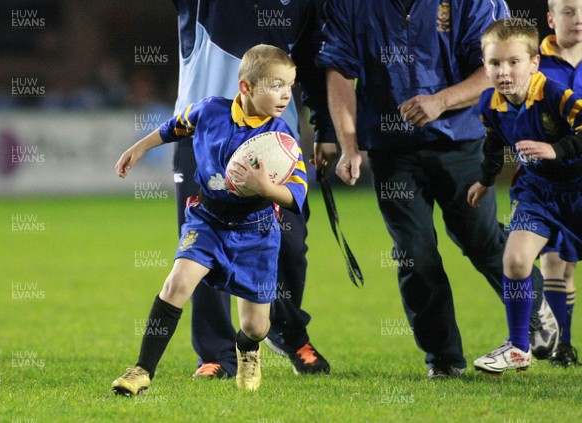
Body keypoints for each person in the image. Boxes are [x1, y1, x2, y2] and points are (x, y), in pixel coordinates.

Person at [315, 0, 558, 379]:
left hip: (461, 139)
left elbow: (494, 66)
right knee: (414, 254)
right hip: (391, 150)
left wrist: (439, 102)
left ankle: (536, 304)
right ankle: (443, 359)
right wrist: (349, 145)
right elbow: (340, 71)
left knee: (478, 238)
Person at [111, 44, 308, 393]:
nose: (285, 95)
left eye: (290, 87)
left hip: (257, 232)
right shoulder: (209, 111)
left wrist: (264, 186)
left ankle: (248, 350)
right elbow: (174, 127)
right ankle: (141, 371)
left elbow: (296, 196)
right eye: (276, 85)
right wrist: (139, 148)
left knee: (256, 325)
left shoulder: (281, 139)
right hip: (207, 220)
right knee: (177, 283)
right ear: (246, 87)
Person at [169, 0, 332, 379]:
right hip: (203, 137)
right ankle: (215, 355)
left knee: (290, 244)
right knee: (204, 245)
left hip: (274, 145)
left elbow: (309, 62)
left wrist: (324, 128)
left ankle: (286, 330)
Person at [470, 19, 582, 374]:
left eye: (513, 62)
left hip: (578, 190)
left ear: (534, 63)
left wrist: (555, 149)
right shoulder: (490, 104)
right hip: (537, 191)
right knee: (516, 261)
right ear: (484, 65)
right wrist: (485, 180)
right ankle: (519, 347)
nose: (504, 72)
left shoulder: (557, 93)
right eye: (495, 63)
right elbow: (493, 144)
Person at [536, 0, 581, 366]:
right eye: (568, 11)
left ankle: (562, 342)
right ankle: (559, 345)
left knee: (569, 265)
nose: (578, 19)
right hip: (546, 180)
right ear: (551, 18)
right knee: (553, 261)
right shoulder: (534, 63)